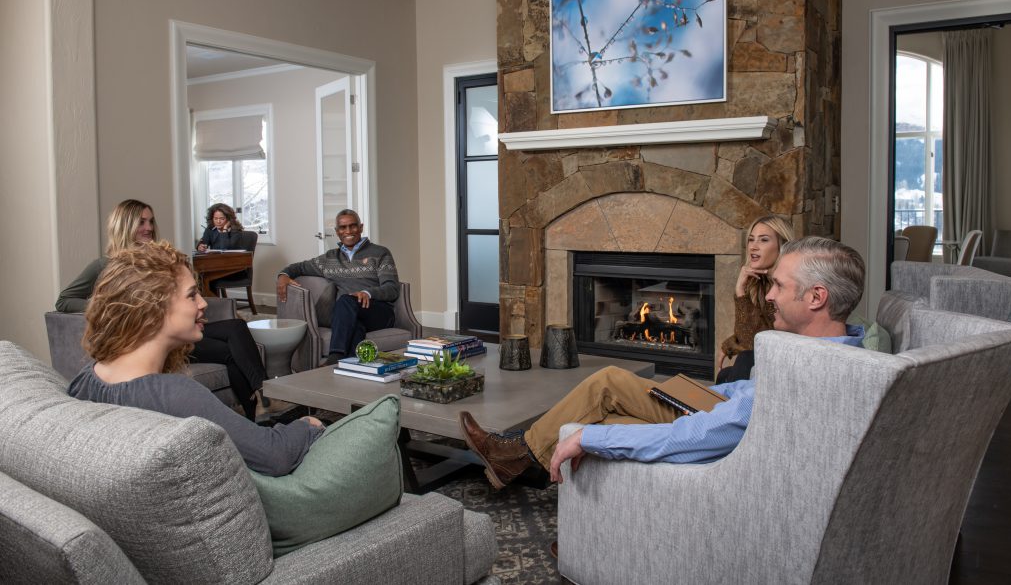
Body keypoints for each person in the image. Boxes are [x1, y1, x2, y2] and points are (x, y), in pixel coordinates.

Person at [459, 237, 866, 490]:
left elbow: (687, 438)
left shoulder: (803, 374)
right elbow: (743, 399)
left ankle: (532, 473)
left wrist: (588, 439)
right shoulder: (845, 351)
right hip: (718, 406)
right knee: (610, 381)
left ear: (815, 298)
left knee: (598, 426)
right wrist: (707, 390)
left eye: (779, 285)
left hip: (716, 445)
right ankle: (519, 457)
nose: (771, 295)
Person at [68, 242, 322, 476]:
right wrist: (309, 425)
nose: (203, 303)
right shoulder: (173, 395)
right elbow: (274, 455)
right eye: (191, 295)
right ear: (152, 308)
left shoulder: (85, 379)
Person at [55, 199, 267, 419]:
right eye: (141, 222)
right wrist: (108, 306)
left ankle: (263, 391)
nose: (149, 228)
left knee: (236, 326)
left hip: (177, 329)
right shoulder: (105, 265)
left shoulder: (158, 262)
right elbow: (64, 300)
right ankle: (254, 414)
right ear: (124, 225)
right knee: (229, 352)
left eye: (151, 221)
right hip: (155, 338)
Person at [277, 209, 399, 359]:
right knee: (355, 325)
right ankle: (349, 367)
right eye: (343, 227)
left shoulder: (380, 253)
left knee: (345, 301)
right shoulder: (330, 259)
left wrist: (368, 293)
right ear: (337, 231)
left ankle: (334, 357)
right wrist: (283, 275)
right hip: (348, 315)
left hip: (379, 312)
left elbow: (392, 288)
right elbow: (299, 267)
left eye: (353, 226)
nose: (348, 231)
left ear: (361, 227)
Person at [717, 215, 795, 383]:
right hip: (765, 355)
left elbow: (752, 347)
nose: (753, 247)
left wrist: (740, 294)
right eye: (751, 240)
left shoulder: (791, 286)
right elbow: (754, 336)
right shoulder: (760, 284)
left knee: (744, 360)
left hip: (790, 359)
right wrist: (741, 290)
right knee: (724, 375)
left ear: (782, 246)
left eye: (763, 240)